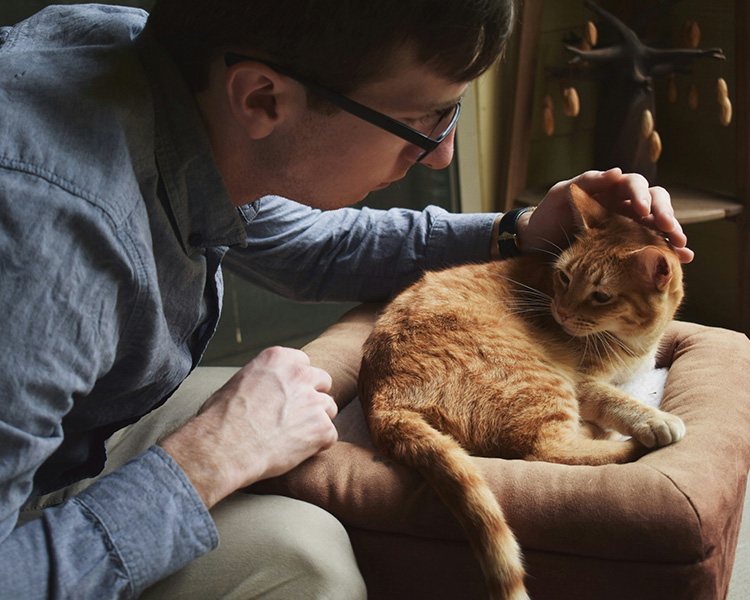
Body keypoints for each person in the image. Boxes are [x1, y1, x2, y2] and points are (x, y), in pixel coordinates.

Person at [0, 1, 692, 599]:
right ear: (264, 99)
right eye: (426, 120)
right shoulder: (48, 250)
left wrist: (515, 232)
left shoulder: (163, 72)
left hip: (84, 424)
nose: (442, 156)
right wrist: (208, 458)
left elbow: (313, 246)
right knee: (307, 558)